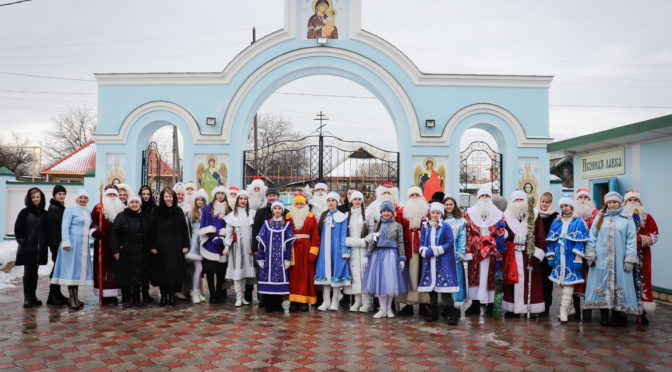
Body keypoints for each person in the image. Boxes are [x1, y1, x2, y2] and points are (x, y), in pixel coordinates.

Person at [584, 191, 640, 326]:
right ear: (606, 204)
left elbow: (631, 240)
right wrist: (590, 252)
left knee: (618, 285)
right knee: (601, 285)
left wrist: (629, 258)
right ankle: (604, 315)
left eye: (615, 202)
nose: (612, 205)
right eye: (610, 202)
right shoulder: (600, 217)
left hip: (619, 260)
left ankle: (616, 315)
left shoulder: (627, 218)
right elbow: (592, 236)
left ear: (620, 203)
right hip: (601, 260)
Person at [501, 190, 548, 318]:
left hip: (529, 253)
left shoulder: (534, 214)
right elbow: (503, 236)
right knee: (511, 281)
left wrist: (536, 254)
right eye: (516, 200)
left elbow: (540, 236)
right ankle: (512, 308)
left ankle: (531, 308)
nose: (519, 203)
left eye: (521, 200)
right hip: (513, 255)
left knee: (532, 282)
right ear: (512, 202)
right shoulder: (506, 216)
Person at [463, 186, 506, 316]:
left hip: (492, 251)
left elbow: (501, 231)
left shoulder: (499, 215)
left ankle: (491, 305)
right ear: (478, 198)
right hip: (476, 251)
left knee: (492, 277)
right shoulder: (469, 213)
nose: (485, 199)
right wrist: (471, 247)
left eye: (487, 196)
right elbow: (467, 233)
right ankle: (475, 304)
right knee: (474, 276)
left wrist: (493, 242)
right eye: (482, 196)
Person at [546, 195, 588, 322]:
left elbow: (580, 242)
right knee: (562, 283)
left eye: (566, 206)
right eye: (562, 206)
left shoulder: (578, 221)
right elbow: (551, 241)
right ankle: (571, 309)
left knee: (569, 282)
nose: (564, 208)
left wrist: (578, 259)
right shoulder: (556, 221)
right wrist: (551, 256)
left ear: (571, 206)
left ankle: (563, 311)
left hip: (571, 255)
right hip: (560, 255)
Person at [362, 202, 407, 319]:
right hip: (379, 255)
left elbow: (400, 242)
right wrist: (368, 255)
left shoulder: (397, 226)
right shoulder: (378, 226)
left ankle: (388, 308)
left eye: (388, 211)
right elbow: (373, 242)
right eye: (384, 211)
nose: (386, 213)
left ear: (392, 213)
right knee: (380, 282)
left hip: (391, 255)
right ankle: (382, 308)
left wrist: (402, 257)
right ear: (381, 212)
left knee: (390, 282)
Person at [51, 188, 93, 311]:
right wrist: (66, 242)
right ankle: (72, 299)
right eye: (81, 197)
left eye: (85, 198)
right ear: (77, 199)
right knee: (71, 271)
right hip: (71, 245)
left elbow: (89, 227)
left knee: (76, 272)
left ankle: (74, 297)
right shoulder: (70, 209)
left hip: (82, 246)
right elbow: (65, 226)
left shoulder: (88, 212)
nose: (83, 200)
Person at [622, 190, 659, 325]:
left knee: (643, 280)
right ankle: (624, 311)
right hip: (624, 255)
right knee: (625, 280)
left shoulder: (647, 217)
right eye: (630, 200)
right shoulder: (621, 217)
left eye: (635, 200)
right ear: (625, 203)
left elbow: (655, 235)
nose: (633, 202)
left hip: (643, 256)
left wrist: (640, 239)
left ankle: (642, 312)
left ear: (640, 202)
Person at [418, 202, 459, 324]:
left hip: (442, 261)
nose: (435, 215)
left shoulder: (445, 226)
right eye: (433, 213)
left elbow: (450, 242)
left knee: (445, 288)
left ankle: (451, 314)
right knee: (432, 288)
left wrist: (437, 250)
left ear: (441, 214)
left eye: (437, 213)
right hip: (429, 261)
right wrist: (424, 251)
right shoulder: (425, 226)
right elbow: (421, 243)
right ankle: (434, 312)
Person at [150, 188, 190, 307]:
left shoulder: (178, 211)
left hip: (175, 246)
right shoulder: (156, 211)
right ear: (162, 197)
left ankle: (172, 295)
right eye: (166, 196)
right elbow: (152, 230)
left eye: (170, 197)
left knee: (174, 272)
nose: (168, 199)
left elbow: (184, 229)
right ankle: (163, 295)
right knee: (162, 272)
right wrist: (152, 246)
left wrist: (185, 245)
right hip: (161, 247)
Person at [396, 186, 430, 316]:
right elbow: (399, 228)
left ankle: (423, 303)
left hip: (423, 244)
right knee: (408, 273)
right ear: (408, 197)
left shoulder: (427, 210)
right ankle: (408, 303)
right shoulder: (402, 211)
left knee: (423, 272)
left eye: (417, 194)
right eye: (412, 195)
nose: (414, 197)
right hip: (407, 244)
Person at [257, 200, 295, 313]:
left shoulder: (287, 225)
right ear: (272, 210)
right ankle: (269, 304)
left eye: (279, 208)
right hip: (268, 259)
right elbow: (261, 242)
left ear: (282, 210)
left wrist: (288, 259)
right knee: (268, 280)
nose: (277, 210)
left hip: (281, 260)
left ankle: (278, 304)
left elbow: (289, 244)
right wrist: (260, 257)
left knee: (279, 280)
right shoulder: (266, 224)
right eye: (275, 208)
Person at [315, 191, 351, 311]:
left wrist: (343, 250)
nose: (331, 203)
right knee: (325, 275)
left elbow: (343, 235)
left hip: (336, 250)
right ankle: (326, 301)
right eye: (329, 200)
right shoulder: (324, 216)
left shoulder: (342, 217)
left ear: (337, 202)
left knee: (336, 273)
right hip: (324, 249)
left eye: (333, 201)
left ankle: (335, 301)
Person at [14, 187, 48, 308]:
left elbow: (47, 231)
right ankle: (27, 298)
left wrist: (46, 243)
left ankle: (33, 296)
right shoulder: (25, 212)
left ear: (41, 198)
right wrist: (23, 241)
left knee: (35, 272)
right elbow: (18, 229)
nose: (35, 199)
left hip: (40, 248)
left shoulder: (44, 213)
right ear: (29, 198)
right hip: (28, 248)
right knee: (28, 272)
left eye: (37, 197)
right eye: (33, 197)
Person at [110, 195, 147, 308]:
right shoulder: (122, 216)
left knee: (137, 275)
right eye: (132, 202)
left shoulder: (142, 216)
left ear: (140, 204)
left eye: (136, 202)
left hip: (139, 251)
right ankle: (126, 299)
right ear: (128, 204)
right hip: (125, 251)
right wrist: (116, 250)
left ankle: (136, 298)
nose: (134, 204)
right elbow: (114, 233)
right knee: (125, 276)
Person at [286, 193, 320, 311]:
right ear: (293, 205)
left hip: (306, 249)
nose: (299, 206)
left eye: (301, 204)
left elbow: (315, 237)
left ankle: (304, 301)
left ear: (305, 205)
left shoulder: (311, 217)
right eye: (297, 204)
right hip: (292, 249)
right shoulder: (288, 217)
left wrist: (313, 252)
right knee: (293, 276)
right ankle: (293, 301)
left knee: (306, 275)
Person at [252, 187, 286, 305]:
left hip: (278, 249)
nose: (272, 197)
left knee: (277, 274)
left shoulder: (284, 212)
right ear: (267, 197)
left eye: (274, 195)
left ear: (278, 197)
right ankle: (262, 298)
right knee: (262, 273)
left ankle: (277, 299)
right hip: (264, 249)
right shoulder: (260, 212)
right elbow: (255, 230)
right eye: (270, 195)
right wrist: (255, 248)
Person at [91, 185, 123, 305]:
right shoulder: (98, 208)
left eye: (114, 195)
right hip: (102, 242)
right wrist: (96, 231)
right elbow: (93, 224)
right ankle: (104, 295)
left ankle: (114, 295)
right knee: (103, 267)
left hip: (117, 242)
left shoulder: (122, 208)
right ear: (105, 196)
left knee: (115, 267)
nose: (112, 197)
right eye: (110, 195)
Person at [224, 191, 257, 307]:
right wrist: (226, 246)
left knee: (245, 272)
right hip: (237, 247)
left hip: (249, 248)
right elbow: (228, 232)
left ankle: (243, 296)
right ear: (237, 200)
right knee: (238, 272)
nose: (243, 201)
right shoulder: (232, 216)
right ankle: (238, 296)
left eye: (245, 199)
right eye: (241, 199)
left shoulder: (252, 214)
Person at [199, 186, 229, 304]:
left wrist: (222, 236)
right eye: (218, 193)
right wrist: (212, 236)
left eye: (222, 193)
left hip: (222, 243)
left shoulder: (229, 209)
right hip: (209, 243)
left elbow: (230, 225)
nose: (220, 195)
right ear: (215, 195)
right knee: (210, 271)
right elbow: (204, 224)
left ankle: (219, 292)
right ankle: (212, 294)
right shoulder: (208, 208)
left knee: (221, 271)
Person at [573, 188, 600, 320]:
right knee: (574, 281)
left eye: (586, 197)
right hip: (575, 253)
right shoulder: (572, 214)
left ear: (590, 199)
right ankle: (575, 311)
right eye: (580, 197)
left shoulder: (597, 214)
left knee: (591, 282)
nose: (583, 200)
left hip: (592, 253)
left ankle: (588, 310)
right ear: (576, 200)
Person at [343, 191, 372, 312]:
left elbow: (371, 233)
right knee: (354, 275)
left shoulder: (367, 215)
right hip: (352, 251)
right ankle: (357, 300)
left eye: (359, 199)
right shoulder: (347, 215)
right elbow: (344, 237)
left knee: (364, 275)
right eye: (355, 199)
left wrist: (365, 242)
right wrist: (358, 242)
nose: (357, 202)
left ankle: (367, 302)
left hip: (364, 251)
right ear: (351, 201)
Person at [443, 195, 467, 317]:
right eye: (446, 204)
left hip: (454, 255)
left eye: (451, 204)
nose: (448, 206)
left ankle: (456, 307)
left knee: (456, 279)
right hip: (442, 255)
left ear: (454, 206)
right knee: (444, 280)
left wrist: (460, 252)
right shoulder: (439, 221)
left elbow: (462, 237)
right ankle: (446, 306)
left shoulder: (460, 221)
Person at [185, 189, 209, 304]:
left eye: (202, 200)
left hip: (204, 242)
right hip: (194, 243)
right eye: (198, 200)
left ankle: (198, 291)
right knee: (198, 268)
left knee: (200, 270)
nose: (200, 202)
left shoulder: (207, 212)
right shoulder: (192, 213)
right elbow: (188, 229)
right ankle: (194, 292)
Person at [46, 184, 68, 306]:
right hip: (57, 242)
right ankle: (52, 295)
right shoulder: (55, 208)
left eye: (64, 194)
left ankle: (56, 293)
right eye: (59, 194)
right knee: (57, 268)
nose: (62, 196)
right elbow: (60, 227)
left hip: (57, 242)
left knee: (58, 267)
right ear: (55, 195)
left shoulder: (58, 207)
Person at [537, 191, 558, 315]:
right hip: (537, 252)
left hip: (549, 253)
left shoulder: (555, 216)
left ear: (551, 203)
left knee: (546, 281)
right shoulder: (535, 215)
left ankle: (546, 306)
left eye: (547, 202)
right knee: (536, 279)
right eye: (543, 201)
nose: (545, 204)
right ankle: (536, 305)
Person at [138, 185, 156, 304]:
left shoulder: (154, 208)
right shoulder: (137, 207)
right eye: (143, 194)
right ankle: (143, 293)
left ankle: (148, 291)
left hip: (153, 241)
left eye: (148, 194)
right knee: (142, 269)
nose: (145, 196)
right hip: (141, 242)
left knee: (151, 268)